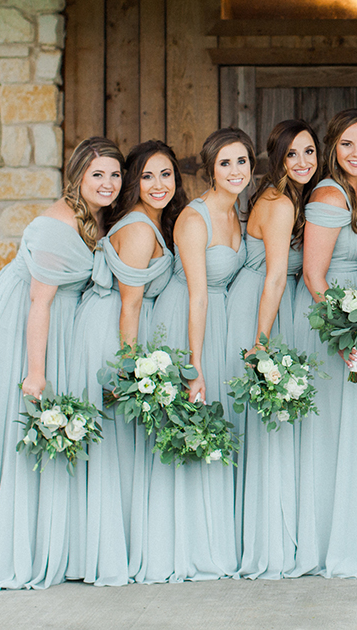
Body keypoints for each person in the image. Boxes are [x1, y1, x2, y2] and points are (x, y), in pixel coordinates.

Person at [0, 137, 123, 590]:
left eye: (115, 174)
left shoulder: (94, 217)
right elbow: (38, 303)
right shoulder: (55, 226)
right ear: (78, 176)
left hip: (54, 320)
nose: (107, 183)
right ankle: (15, 545)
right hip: (22, 326)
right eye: (97, 174)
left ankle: (53, 538)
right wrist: (36, 371)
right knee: (29, 422)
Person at [66, 140, 186, 586]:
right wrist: (131, 370)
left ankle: (118, 543)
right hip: (112, 335)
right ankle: (108, 551)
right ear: (135, 182)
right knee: (115, 442)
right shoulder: (138, 228)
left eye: (167, 174)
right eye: (149, 176)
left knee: (120, 446)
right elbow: (129, 306)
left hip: (113, 326)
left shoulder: (150, 221)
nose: (159, 184)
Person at [142, 128, 250, 582]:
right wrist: (194, 365)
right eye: (225, 163)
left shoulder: (236, 212)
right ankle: (185, 544)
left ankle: (216, 536)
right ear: (209, 170)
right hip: (190, 322)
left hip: (219, 322)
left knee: (218, 425)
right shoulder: (194, 218)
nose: (235, 171)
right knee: (194, 416)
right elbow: (198, 295)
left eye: (242, 161)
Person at [292, 109, 357, 578]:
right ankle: (327, 539)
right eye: (347, 144)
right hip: (329, 322)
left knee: (351, 427)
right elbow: (313, 274)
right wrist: (345, 330)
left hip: (356, 319)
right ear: (333, 148)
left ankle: (351, 532)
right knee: (330, 431)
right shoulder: (330, 194)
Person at [227, 120, 316, 579]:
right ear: (278, 159)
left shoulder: (283, 197)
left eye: (309, 152)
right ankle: (269, 539)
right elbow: (277, 275)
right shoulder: (280, 204)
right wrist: (262, 342)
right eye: (292, 154)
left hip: (263, 300)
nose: (302, 162)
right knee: (270, 423)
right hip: (264, 306)